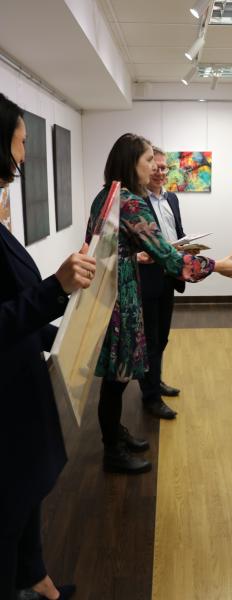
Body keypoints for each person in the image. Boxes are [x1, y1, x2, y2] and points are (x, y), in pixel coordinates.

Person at [86, 133, 232, 475]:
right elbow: (170, 258)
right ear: (132, 163)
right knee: (117, 378)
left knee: (117, 377)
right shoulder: (130, 202)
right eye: (149, 160)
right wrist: (217, 266)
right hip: (123, 298)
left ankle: (115, 433)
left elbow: (108, 249)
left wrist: (134, 255)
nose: (155, 167)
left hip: (111, 292)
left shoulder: (107, 194)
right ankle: (112, 449)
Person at [0, 93, 96, 600]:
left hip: (20, 391)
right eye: (20, 142)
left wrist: (66, 335)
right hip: (5, 405)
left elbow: (14, 311)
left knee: (27, 493)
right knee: (9, 505)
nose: (23, 155)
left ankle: (35, 577)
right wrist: (55, 288)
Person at [138, 147, 186, 420]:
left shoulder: (172, 199)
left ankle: (155, 381)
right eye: (154, 166)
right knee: (151, 339)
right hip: (147, 278)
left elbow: (177, 232)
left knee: (162, 336)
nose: (159, 172)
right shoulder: (137, 203)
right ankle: (151, 397)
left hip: (169, 276)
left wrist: (187, 246)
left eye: (163, 167)